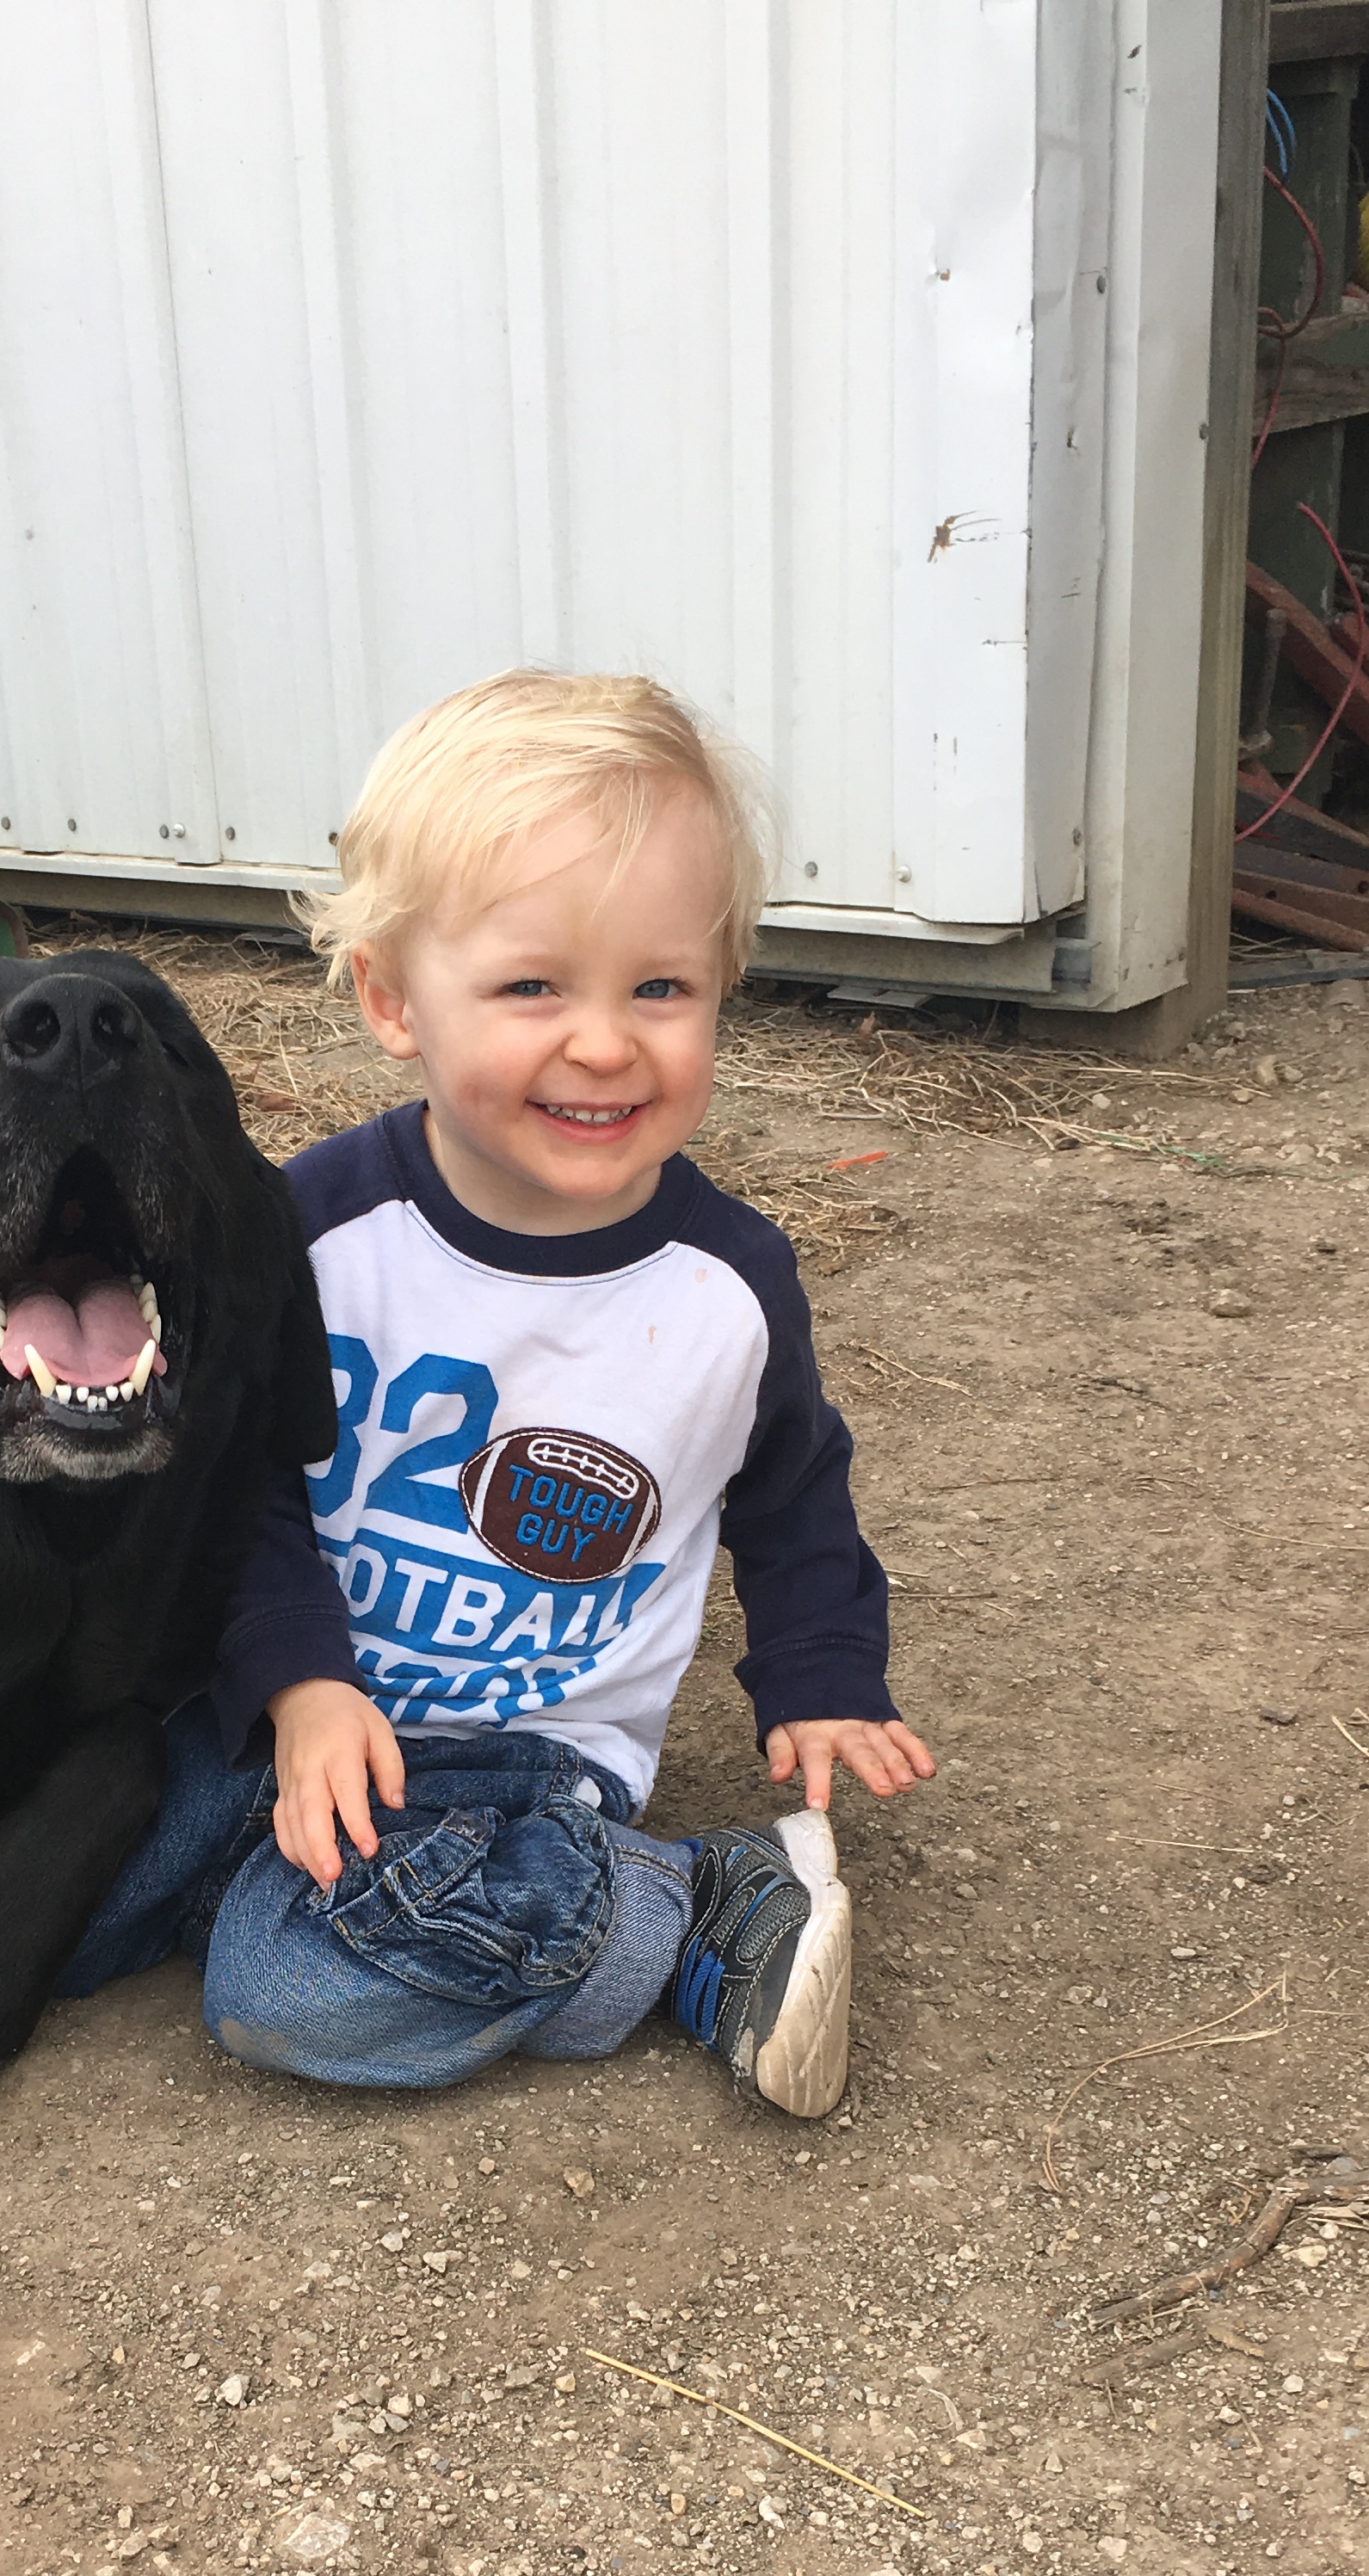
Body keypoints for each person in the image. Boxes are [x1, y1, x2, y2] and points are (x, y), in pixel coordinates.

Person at [57, 669, 933, 2116]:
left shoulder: (728, 1287)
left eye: (662, 987)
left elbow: (790, 1490)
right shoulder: (309, 1231)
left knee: (285, 1994)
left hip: (520, 1755)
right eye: (534, 986)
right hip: (283, 1704)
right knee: (57, 1904)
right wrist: (302, 1683)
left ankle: (692, 1905)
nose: (604, 1042)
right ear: (393, 999)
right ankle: (336, 1895)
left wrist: (823, 1672)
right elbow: (234, 1481)